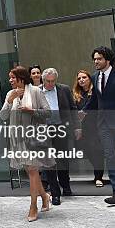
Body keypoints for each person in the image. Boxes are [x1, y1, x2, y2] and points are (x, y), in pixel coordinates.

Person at [82, 46, 115, 205]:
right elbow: (97, 99)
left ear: (107, 60)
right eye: (95, 59)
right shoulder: (95, 76)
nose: (96, 61)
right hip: (103, 124)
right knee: (110, 155)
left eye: (99, 59)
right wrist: (83, 111)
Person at [0, 66, 53, 222]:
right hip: (18, 139)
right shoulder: (10, 94)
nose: (10, 80)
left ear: (21, 78)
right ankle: (44, 196)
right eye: (9, 78)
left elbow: (48, 112)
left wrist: (32, 110)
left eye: (12, 77)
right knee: (31, 171)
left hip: (34, 138)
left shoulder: (35, 91)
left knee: (32, 171)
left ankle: (33, 206)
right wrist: (9, 101)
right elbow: (3, 116)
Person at [39, 68, 79, 206]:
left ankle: (66, 186)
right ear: (43, 80)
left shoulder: (64, 89)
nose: (50, 84)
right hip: (44, 130)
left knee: (62, 159)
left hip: (61, 127)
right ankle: (55, 194)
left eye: (53, 81)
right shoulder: (36, 91)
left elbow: (73, 108)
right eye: (48, 81)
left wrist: (77, 127)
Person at [73, 70, 105, 187]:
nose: (81, 80)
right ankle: (97, 171)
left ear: (89, 79)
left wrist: (84, 112)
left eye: (84, 77)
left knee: (97, 151)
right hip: (84, 127)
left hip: (96, 126)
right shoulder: (77, 94)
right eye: (79, 78)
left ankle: (98, 176)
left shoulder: (95, 92)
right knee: (88, 151)